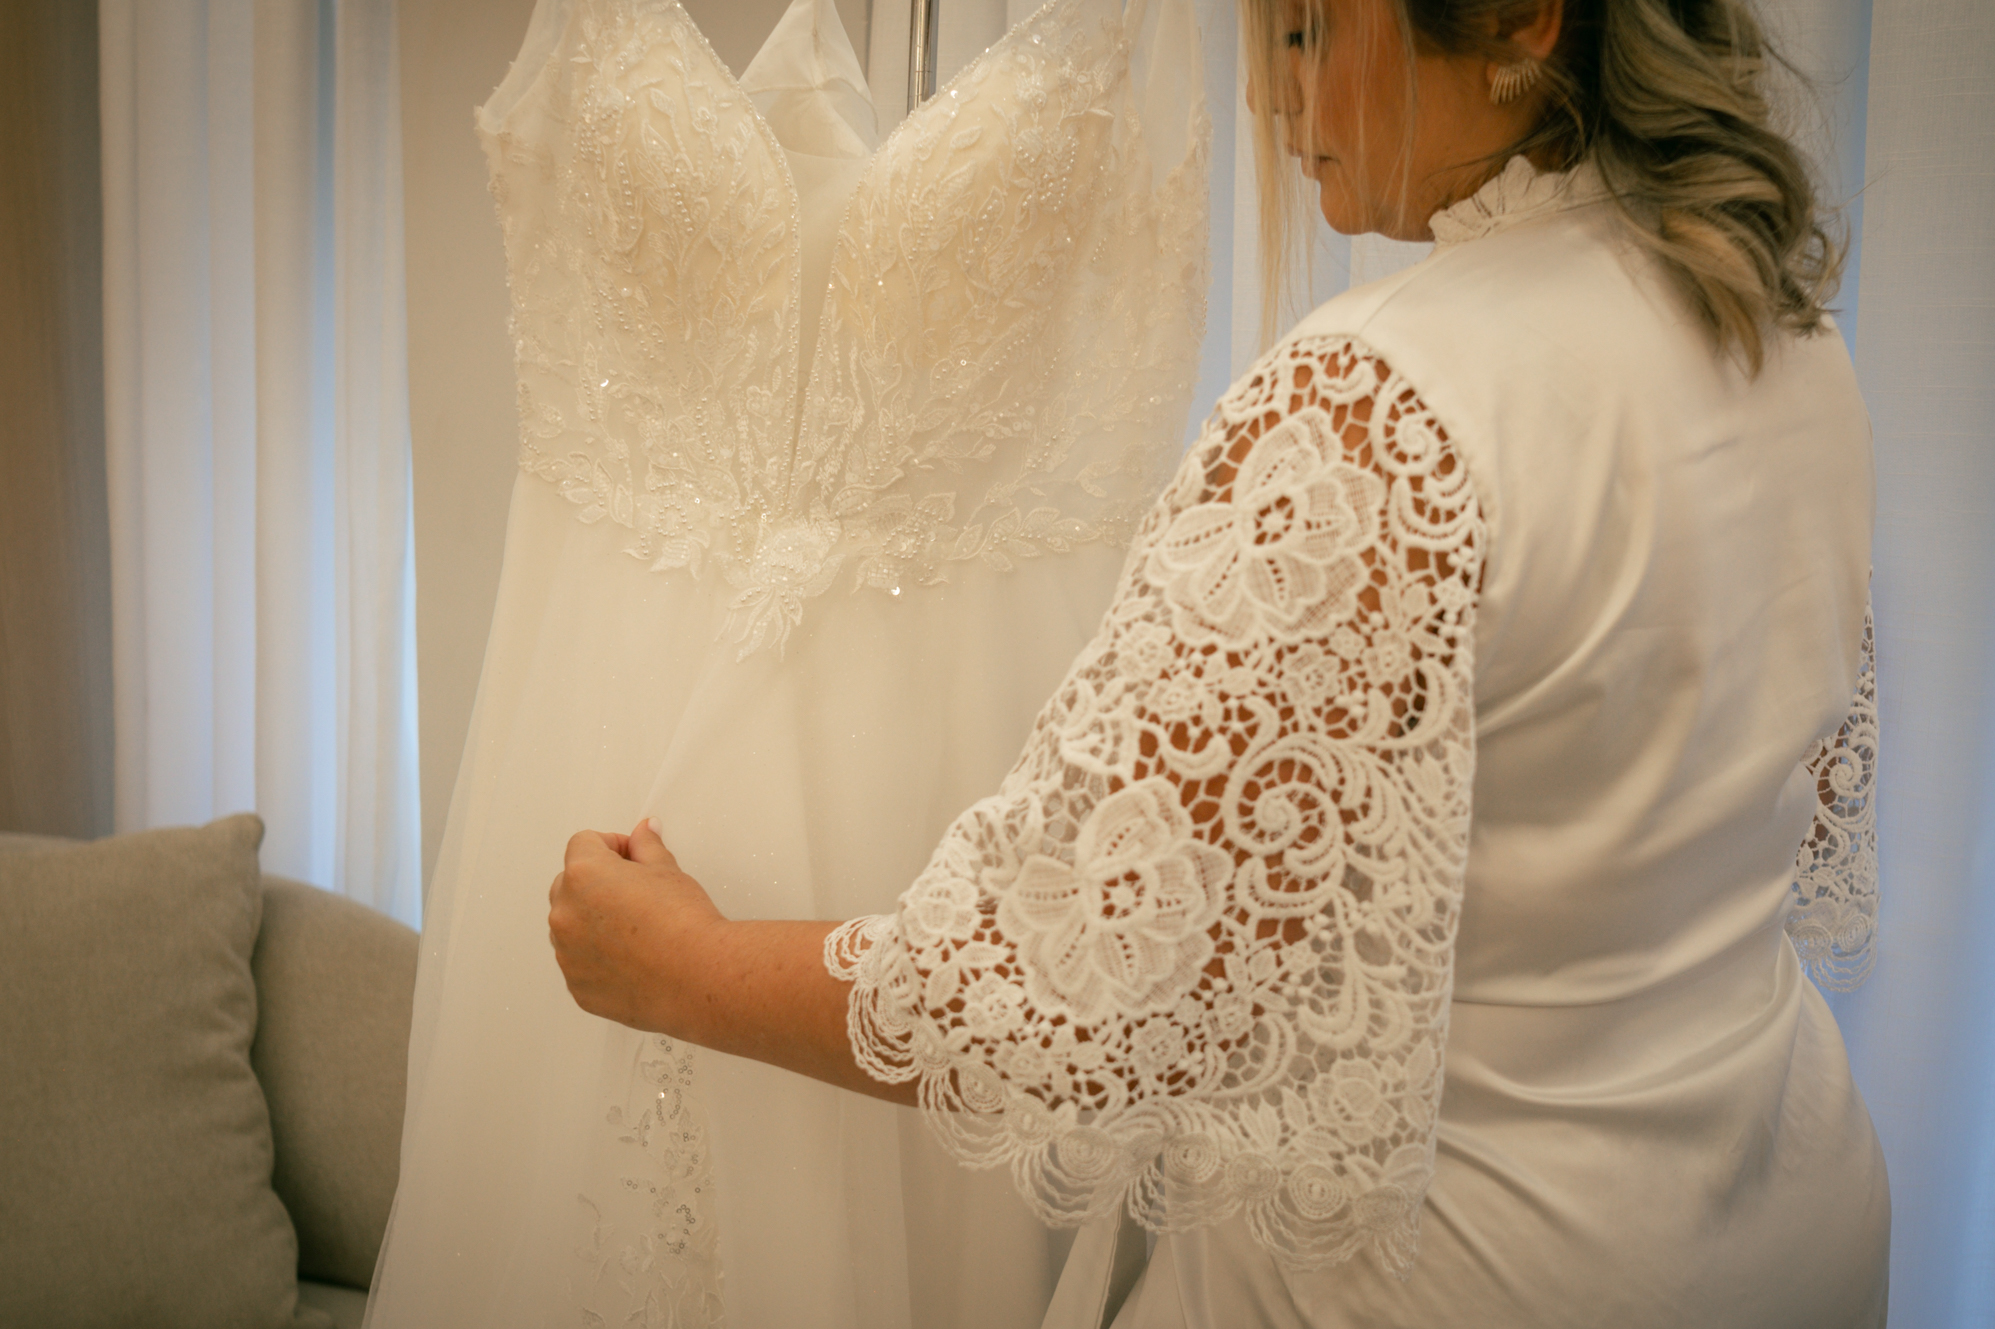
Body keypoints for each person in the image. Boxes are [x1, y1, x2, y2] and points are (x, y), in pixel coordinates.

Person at [546, 0, 1889, 1323]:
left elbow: (1067, 994)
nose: (1265, 93)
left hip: (1482, 1274)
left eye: (1308, 31)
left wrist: (685, 966)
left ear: (1522, 21)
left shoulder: (1381, 405)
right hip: (1785, 1204)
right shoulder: (1780, 333)